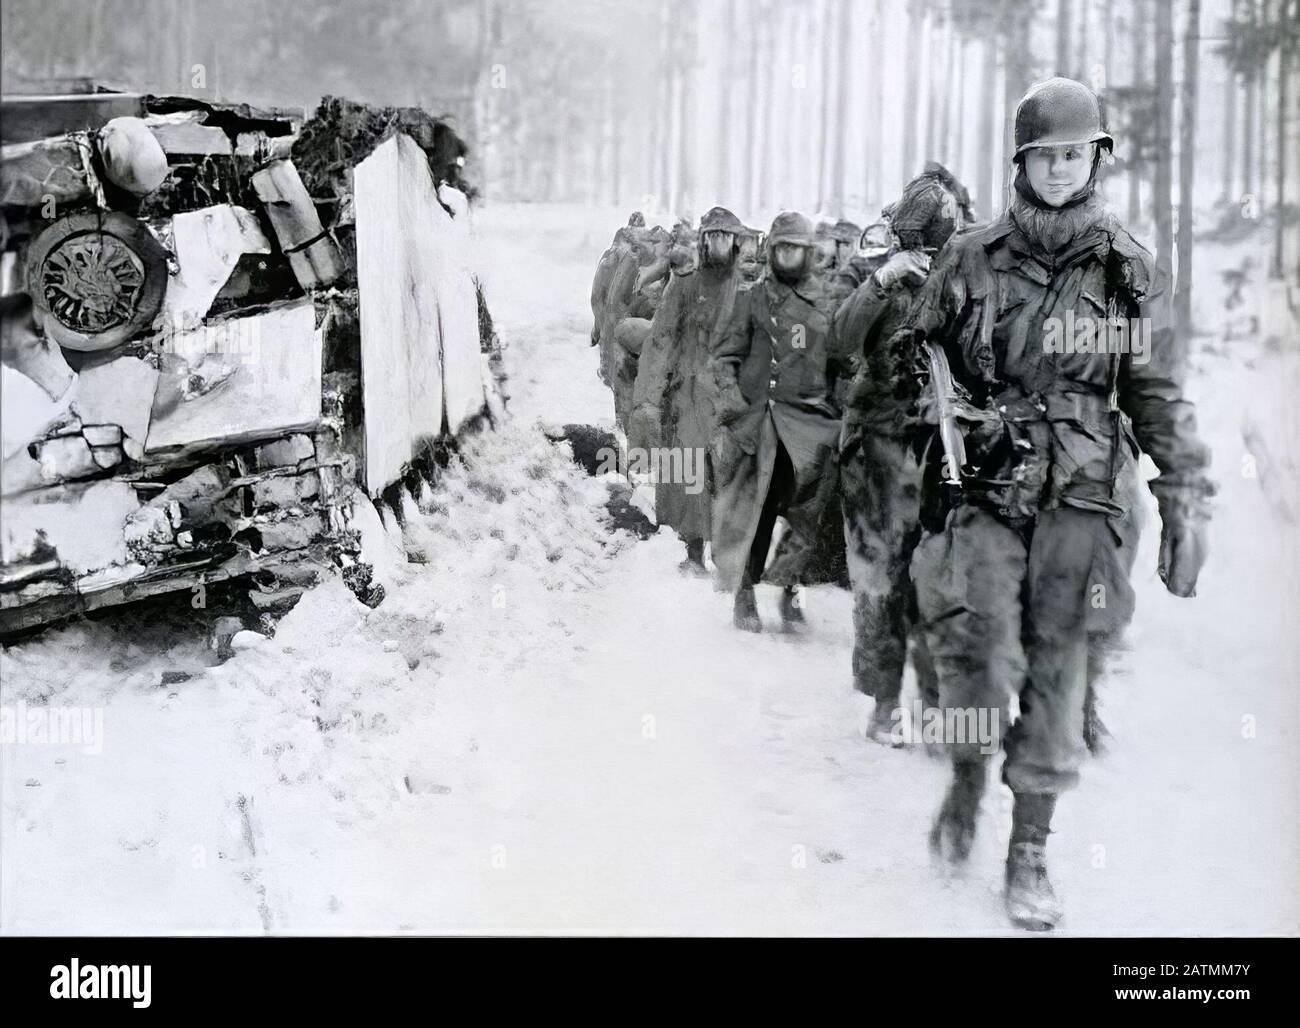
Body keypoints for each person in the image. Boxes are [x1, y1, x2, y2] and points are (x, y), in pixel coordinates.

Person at [903, 78, 1212, 930]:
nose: (1060, 169)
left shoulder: (1129, 270)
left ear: (1096, 161)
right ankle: (967, 776)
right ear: (1022, 162)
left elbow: (1154, 395)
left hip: (1081, 498)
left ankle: (1030, 847)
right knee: (974, 646)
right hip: (990, 488)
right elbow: (914, 362)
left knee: (1059, 668)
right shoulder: (970, 257)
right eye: (1045, 156)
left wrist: (1184, 493)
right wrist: (936, 404)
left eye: (1075, 154)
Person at [833, 167, 973, 745]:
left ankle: (939, 703)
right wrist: (882, 282)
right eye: (916, 241)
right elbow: (839, 341)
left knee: (942, 577)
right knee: (883, 577)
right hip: (879, 446)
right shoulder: (875, 275)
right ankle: (887, 703)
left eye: (933, 241)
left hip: (947, 448)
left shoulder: (967, 279)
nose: (925, 252)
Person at [708, 212, 841, 632]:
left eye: (795, 248)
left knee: (808, 513)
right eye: (780, 247)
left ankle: (790, 587)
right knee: (756, 512)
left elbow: (843, 362)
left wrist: (840, 411)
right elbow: (723, 358)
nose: (787, 255)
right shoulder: (751, 298)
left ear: (808, 252)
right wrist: (732, 404)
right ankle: (744, 592)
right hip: (760, 424)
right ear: (771, 251)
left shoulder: (829, 300)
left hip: (810, 425)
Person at [629, 207, 748, 575]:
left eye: (724, 237)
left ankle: (727, 554)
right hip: (687, 397)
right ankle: (694, 551)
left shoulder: (748, 288)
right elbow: (660, 339)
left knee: (731, 475)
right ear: (703, 240)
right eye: (711, 236)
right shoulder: (685, 283)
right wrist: (648, 396)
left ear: (735, 241)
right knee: (689, 474)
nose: (717, 244)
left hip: (731, 398)